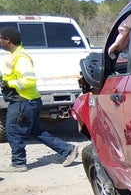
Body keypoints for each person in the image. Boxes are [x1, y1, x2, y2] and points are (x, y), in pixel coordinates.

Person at [0, 26, 80, 172]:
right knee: (35, 131)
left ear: (7, 40)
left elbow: (29, 81)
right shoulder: (15, 56)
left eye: (0, 38)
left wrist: (9, 83)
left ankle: (18, 163)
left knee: (14, 131)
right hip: (26, 101)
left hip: (23, 101)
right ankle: (68, 150)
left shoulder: (21, 58)